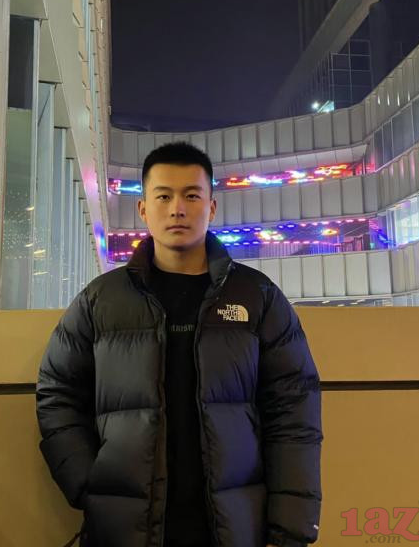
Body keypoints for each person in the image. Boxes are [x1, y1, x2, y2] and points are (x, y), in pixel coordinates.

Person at [36, 142, 323, 547]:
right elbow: (57, 392)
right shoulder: (101, 300)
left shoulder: (257, 296)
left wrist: (290, 525)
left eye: (191, 196)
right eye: (163, 196)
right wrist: (89, 483)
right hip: (122, 525)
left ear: (212, 207)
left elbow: (295, 410)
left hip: (235, 524)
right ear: (143, 209)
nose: (177, 209)